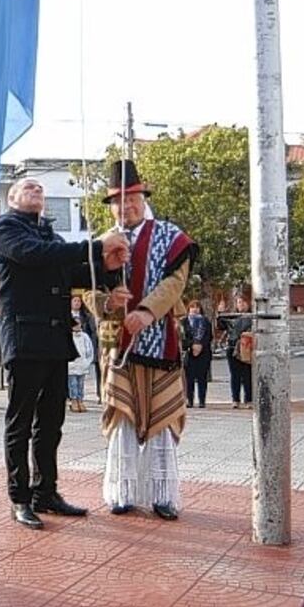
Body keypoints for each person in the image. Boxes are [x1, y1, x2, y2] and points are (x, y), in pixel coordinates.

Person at [0, 177, 127, 530]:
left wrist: (107, 266)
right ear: (12, 198)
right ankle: (19, 498)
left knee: (51, 423)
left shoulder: (49, 234)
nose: (36, 191)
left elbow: (70, 270)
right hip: (24, 337)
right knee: (20, 423)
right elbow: (35, 257)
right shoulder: (6, 228)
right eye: (28, 187)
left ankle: (45, 492)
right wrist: (96, 246)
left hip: (54, 340)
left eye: (40, 189)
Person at [90, 159, 198, 521]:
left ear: (142, 198)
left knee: (161, 417)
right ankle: (121, 493)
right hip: (116, 347)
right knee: (122, 415)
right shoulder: (101, 243)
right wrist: (107, 302)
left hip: (159, 342)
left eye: (132, 198)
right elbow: (88, 293)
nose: (126, 206)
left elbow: (175, 282)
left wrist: (148, 311)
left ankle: (163, 495)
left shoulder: (170, 236)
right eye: (119, 201)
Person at [218, 294, 253, 409]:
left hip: (246, 348)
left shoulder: (252, 317)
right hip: (232, 347)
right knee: (235, 375)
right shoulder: (232, 317)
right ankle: (235, 399)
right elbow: (221, 326)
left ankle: (248, 399)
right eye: (239, 302)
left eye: (243, 302)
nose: (241, 305)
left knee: (247, 375)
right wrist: (220, 314)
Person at [180, 300, 213, 408]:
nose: (195, 309)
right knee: (189, 378)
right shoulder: (184, 322)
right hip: (189, 353)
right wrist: (192, 345)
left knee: (202, 378)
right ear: (188, 309)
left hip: (203, 353)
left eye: (197, 307)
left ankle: (202, 400)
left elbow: (209, 336)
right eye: (192, 307)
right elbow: (182, 337)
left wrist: (200, 346)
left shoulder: (205, 321)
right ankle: (190, 400)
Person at [71, 294, 101, 403]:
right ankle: (74, 398)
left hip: (87, 347)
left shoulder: (86, 316)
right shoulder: (68, 315)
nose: (77, 303)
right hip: (74, 349)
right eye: (75, 301)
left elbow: (90, 334)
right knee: (73, 379)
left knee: (81, 379)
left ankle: (82, 398)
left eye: (79, 301)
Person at [68, 321, 94, 414]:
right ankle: (74, 400)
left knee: (81, 384)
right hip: (71, 366)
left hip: (82, 365)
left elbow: (90, 350)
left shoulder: (85, 337)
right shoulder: (69, 335)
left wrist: (87, 362)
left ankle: (80, 400)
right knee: (73, 384)